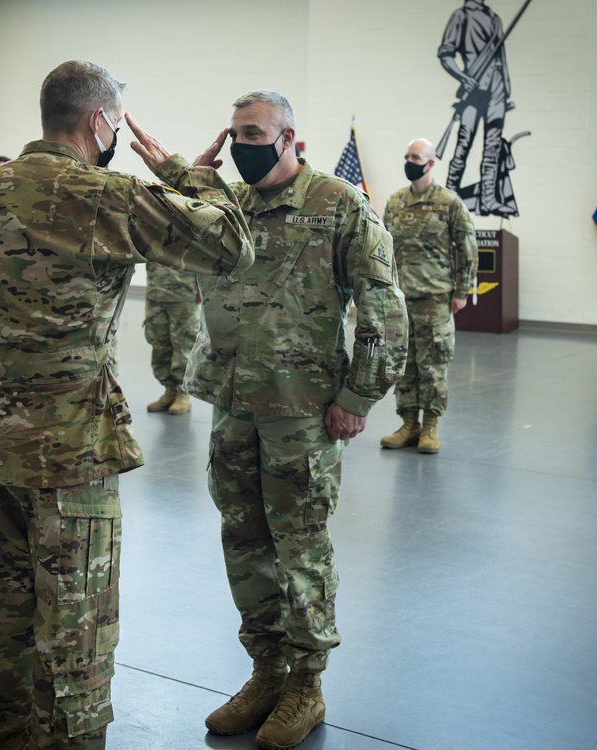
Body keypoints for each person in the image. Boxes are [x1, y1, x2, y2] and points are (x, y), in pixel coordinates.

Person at [0, 60, 253, 750]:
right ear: (99, 121)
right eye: (116, 118)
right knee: (76, 639)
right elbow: (232, 244)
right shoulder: (104, 195)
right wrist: (184, 174)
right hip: (72, 457)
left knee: (5, 626)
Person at [186, 90, 407, 750]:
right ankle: (266, 671)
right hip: (234, 408)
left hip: (301, 415)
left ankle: (306, 684)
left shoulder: (337, 205)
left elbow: (383, 306)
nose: (240, 145)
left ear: (288, 139)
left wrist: (358, 397)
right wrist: (194, 183)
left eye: (253, 133)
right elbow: (170, 243)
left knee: (300, 550)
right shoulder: (230, 205)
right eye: (234, 135)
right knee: (245, 542)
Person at [379, 138, 477, 454]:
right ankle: (409, 424)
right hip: (400, 299)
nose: (410, 161)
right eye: (406, 155)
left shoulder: (450, 203)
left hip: (435, 297)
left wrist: (461, 291)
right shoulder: (395, 202)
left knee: (433, 364)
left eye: (416, 156)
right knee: (403, 364)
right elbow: (384, 249)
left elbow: (467, 249)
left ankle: (430, 427)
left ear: (431, 163)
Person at [438, 0, 512, 215]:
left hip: (497, 89)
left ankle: (489, 201)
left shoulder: (495, 18)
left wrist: (506, 90)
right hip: (474, 87)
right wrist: (463, 78)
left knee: (493, 149)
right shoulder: (461, 16)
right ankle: (449, 199)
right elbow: (446, 53)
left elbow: (502, 58)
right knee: (463, 145)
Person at [144, 264, 200, 415]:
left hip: (183, 294)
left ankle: (183, 394)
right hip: (155, 292)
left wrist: (202, 289)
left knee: (183, 346)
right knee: (159, 344)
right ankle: (169, 391)